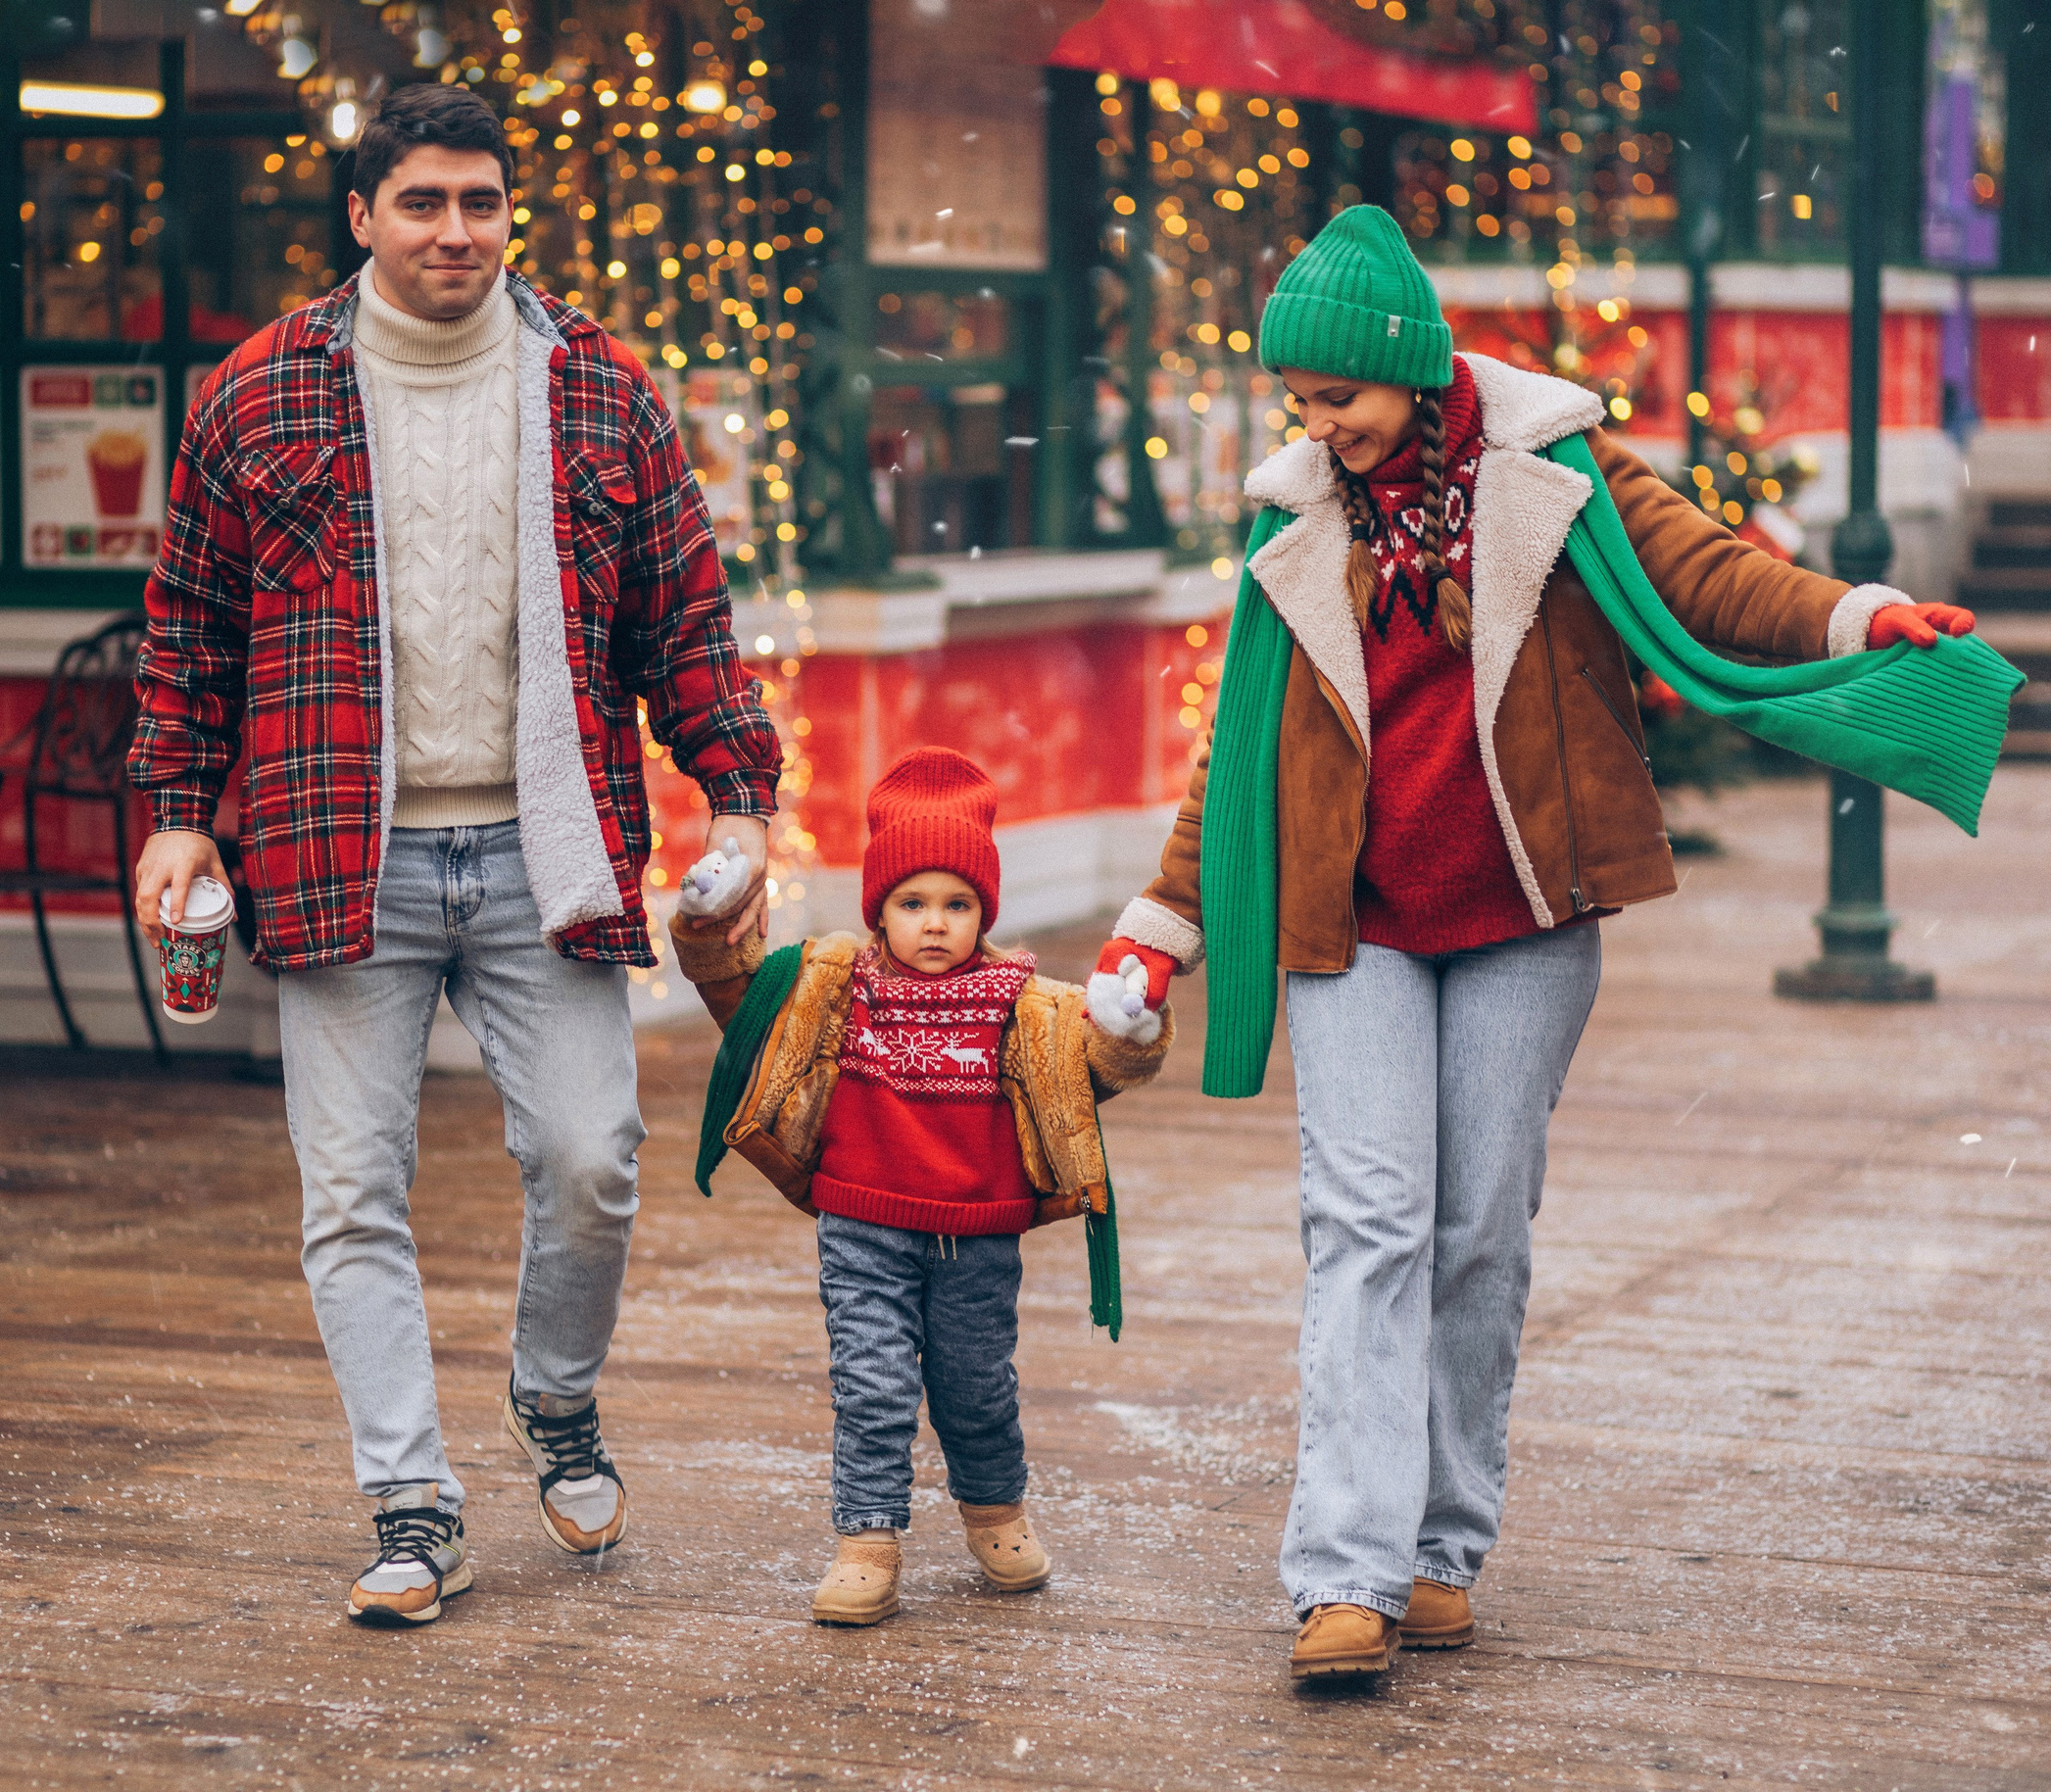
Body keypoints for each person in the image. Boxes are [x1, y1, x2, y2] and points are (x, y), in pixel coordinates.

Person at [1093, 207, 1978, 1681]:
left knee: (1477, 1235)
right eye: (1300, 404)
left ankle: (1440, 1546)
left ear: (1412, 370)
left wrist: (1859, 616)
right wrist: (1159, 933)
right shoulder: (1295, 516)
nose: (1321, 428)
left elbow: (1711, 575)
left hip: (1522, 916)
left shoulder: (1557, 477)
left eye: (1342, 399)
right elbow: (1240, 756)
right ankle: (1346, 1575)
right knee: (1366, 1227)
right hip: (1351, 923)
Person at [128, 82, 779, 1627]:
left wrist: (739, 792)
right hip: (332, 847)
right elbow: (187, 633)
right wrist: (175, 805)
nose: (456, 233)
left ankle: (554, 1401)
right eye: (421, 203)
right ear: (360, 216)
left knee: (592, 1159)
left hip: (543, 848)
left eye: (480, 204)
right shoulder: (255, 395)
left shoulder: (599, 391)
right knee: (351, 1192)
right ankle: (411, 1501)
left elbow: (682, 615)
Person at [670, 749, 1170, 1625]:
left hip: (978, 1233)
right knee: (872, 1385)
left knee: (976, 1384)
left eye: (956, 904)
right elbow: (745, 1001)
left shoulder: (1025, 1003)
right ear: (878, 909)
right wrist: (711, 928)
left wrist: (1128, 1029)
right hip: (862, 1225)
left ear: (984, 910)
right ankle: (867, 1538)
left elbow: (1092, 1066)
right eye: (912, 903)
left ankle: (994, 1509)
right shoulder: (835, 983)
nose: (934, 923)